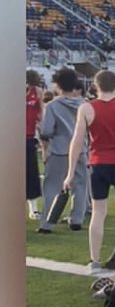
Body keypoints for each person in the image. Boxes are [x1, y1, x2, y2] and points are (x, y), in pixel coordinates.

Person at [64, 69, 115, 274]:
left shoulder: (86, 108)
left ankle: (94, 260)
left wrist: (70, 172)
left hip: (99, 163)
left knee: (98, 212)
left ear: (95, 86)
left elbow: (76, 142)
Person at [37, 68, 89, 233]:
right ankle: (76, 219)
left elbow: (46, 130)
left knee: (52, 186)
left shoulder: (53, 105)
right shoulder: (84, 104)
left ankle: (47, 223)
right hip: (81, 149)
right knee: (80, 185)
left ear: (58, 85)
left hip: (59, 150)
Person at [27, 69, 45, 220]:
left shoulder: (36, 91)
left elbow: (40, 115)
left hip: (28, 137)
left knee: (31, 174)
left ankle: (33, 209)